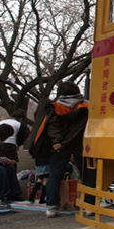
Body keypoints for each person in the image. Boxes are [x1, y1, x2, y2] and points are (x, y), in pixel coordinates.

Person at [44, 81, 94, 218]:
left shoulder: (56, 107)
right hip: (82, 144)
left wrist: (57, 142)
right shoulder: (86, 106)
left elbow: (53, 126)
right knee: (87, 175)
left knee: (55, 175)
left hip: (60, 147)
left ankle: (52, 207)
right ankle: (90, 205)